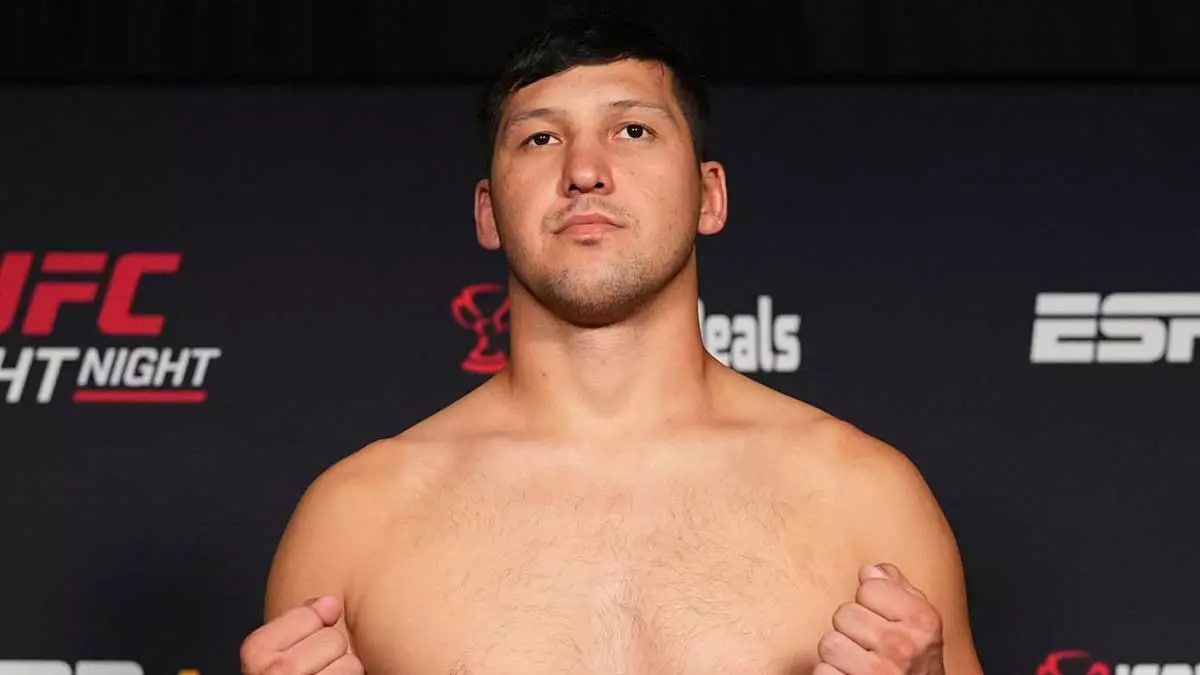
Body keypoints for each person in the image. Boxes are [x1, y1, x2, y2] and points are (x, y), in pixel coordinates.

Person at [239, 15, 984, 675]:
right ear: (487, 212)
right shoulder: (357, 517)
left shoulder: (865, 497)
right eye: (540, 138)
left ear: (709, 195)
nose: (585, 172)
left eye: (633, 131)